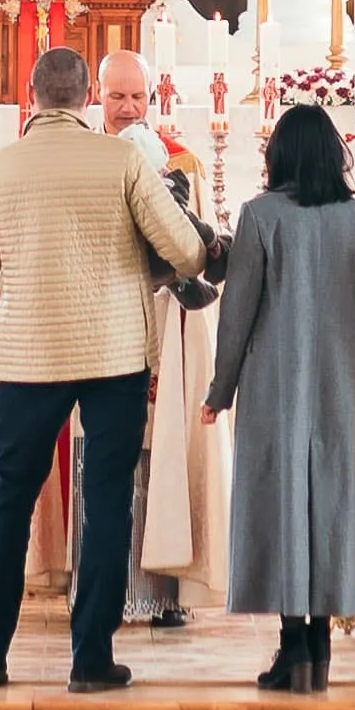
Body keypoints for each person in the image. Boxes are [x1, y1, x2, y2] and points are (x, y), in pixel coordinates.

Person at [0, 43, 211, 688]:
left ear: (36, 96)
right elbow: (185, 249)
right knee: (106, 500)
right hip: (112, 352)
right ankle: (91, 659)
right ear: (87, 98)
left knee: (9, 496)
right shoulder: (125, 158)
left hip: (27, 354)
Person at [211, 98, 355, 689]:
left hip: (274, 383)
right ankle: (320, 644)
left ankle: (293, 649)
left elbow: (237, 312)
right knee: (333, 506)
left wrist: (220, 388)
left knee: (282, 501)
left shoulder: (260, 216)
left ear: (278, 154)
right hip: (342, 382)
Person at [104, 45, 226, 623]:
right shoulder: (89, 159)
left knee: (162, 452)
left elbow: (198, 250)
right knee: (103, 461)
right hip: (102, 328)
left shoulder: (183, 164)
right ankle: (99, 589)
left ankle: (163, 591)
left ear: (153, 99)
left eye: (138, 96)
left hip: (164, 329)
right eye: (116, 96)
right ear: (94, 98)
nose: (128, 108)